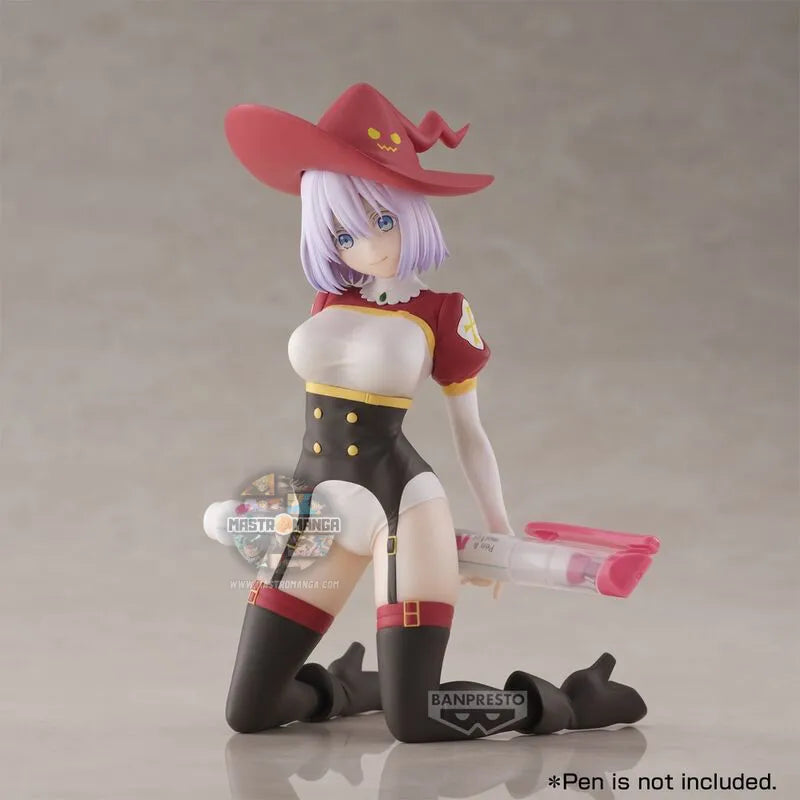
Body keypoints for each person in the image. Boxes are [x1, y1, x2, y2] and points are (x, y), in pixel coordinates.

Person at [222, 83, 646, 742]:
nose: (365, 245)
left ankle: (571, 702)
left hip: (403, 510)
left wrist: (500, 527)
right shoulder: (329, 301)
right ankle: (348, 686)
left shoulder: (442, 312)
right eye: (343, 231)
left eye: (382, 221)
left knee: (416, 719)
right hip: (321, 508)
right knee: (250, 711)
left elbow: (469, 431)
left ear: (410, 212)